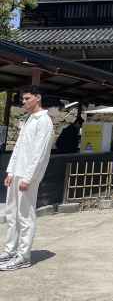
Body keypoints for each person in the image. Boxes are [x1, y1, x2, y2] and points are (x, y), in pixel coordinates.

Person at [0, 86, 54, 271]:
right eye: (23, 99)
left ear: (37, 98)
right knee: (12, 214)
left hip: (27, 176)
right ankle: (10, 250)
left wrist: (28, 178)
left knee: (25, 216)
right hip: (17, 173)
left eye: (27, 98)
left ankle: (23, 256)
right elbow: (19, 148)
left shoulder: (44, 121)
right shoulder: (30, 119)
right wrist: (10, 171)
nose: (23, 102)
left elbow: (38, 153)